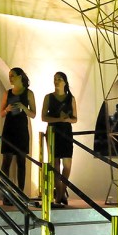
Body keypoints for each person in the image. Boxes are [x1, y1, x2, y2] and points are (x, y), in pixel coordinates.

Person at [0, 67, 36, 202]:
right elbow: (1, 113)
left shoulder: (29, 93)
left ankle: (21, 193)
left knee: (21, 161)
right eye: (9, 76)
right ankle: (5, 193)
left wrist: (23, 107)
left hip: (21, 130)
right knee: (6, 161)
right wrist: (8, 109)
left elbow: (33, 114)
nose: (10, 78)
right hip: (9, 129)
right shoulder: (7, 93)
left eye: (13, 75)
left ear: (20, 77)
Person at [41, 71, 77, 206]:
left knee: (67, 164)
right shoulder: (48, 97)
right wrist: (58, 119)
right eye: (55, 79)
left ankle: (61, 192)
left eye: (59, 79)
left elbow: (75, 118)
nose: (56, 81)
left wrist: (67, 119)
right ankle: (60, 195)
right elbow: (44, 117)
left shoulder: (70, 98)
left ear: (65, 82)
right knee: (55, 163)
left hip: (66, 131)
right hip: (53, 131)